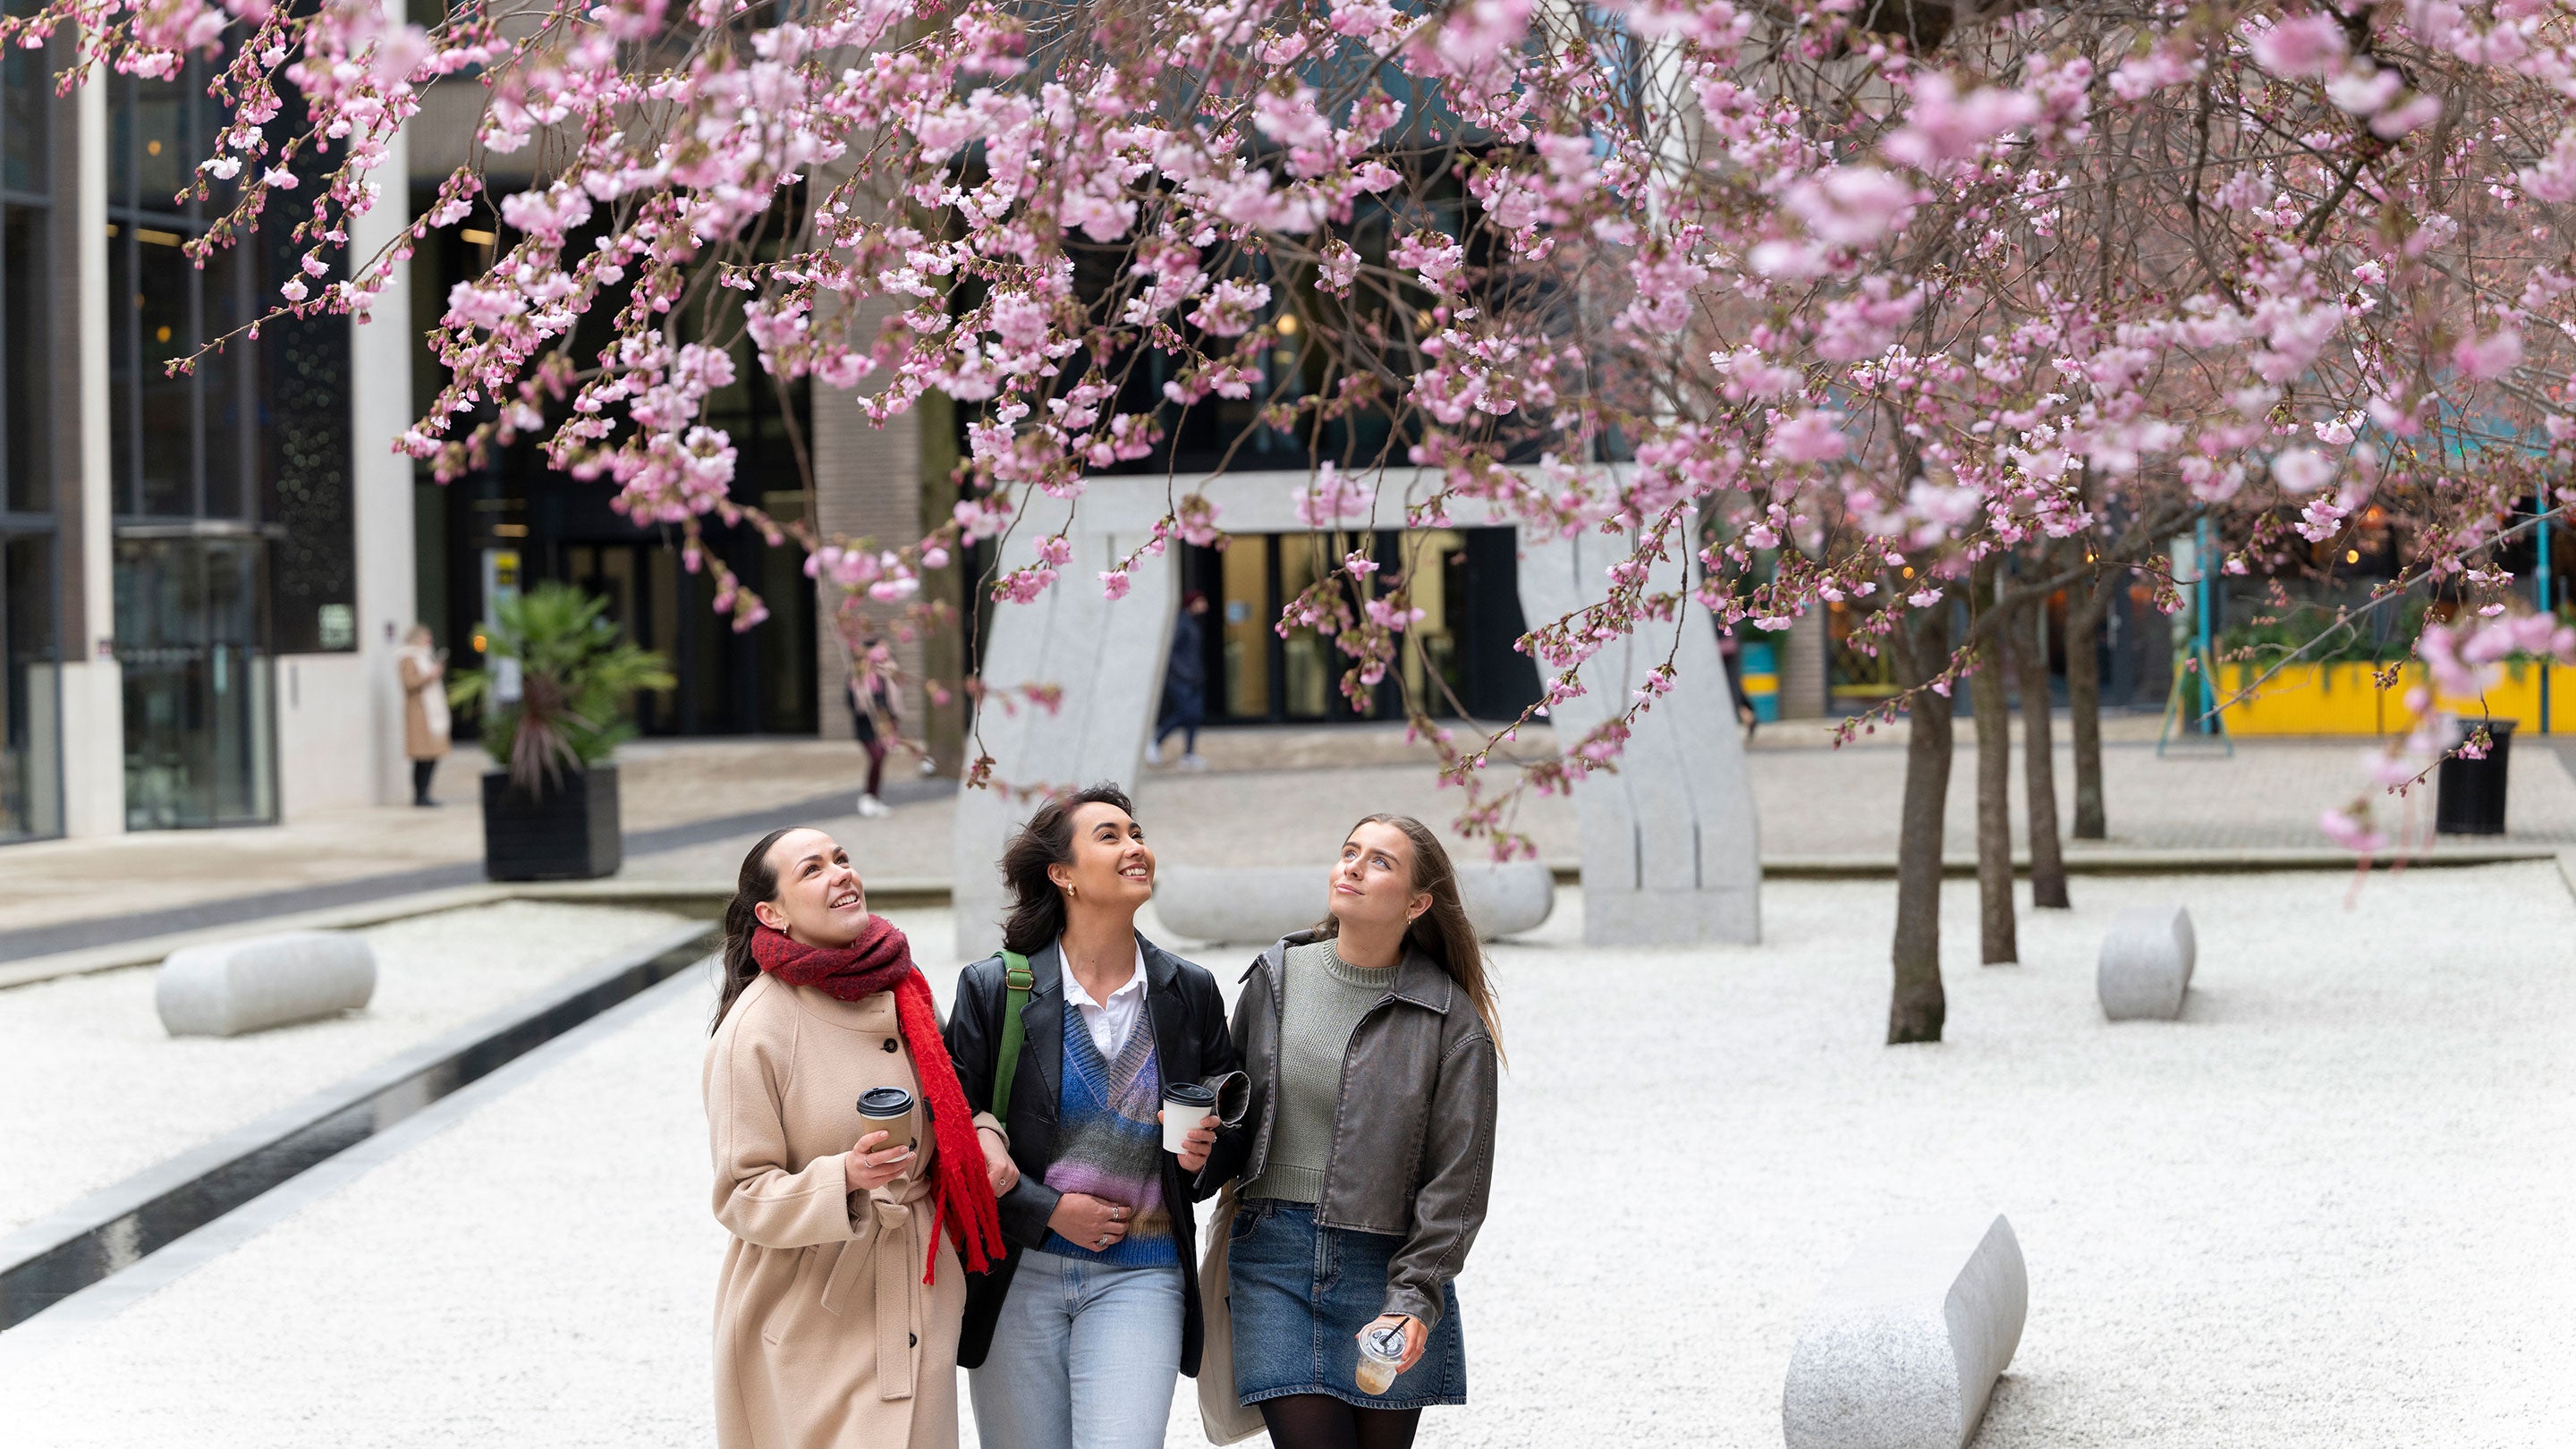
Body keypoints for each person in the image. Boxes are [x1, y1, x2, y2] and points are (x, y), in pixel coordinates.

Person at [944, 784, 1241, 1449]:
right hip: (1018, 1271)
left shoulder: (1187, 990)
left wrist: (1204, 1154)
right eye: (1109, 836)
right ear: (1062, 874)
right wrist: (1042, 1208)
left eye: (1137, 833)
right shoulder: (995, 989)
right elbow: (955, 1129)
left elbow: (1231, 1130)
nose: (1135, 846)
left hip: (1144, 1273)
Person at [705, 826, 1013, 1449]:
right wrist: (842, 1177)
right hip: (811, 1307)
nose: (840, 873)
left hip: (918, 1288)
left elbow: (954, 1097)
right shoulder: (753, 1030)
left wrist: (983, 1135)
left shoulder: (902, 984)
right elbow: (740, 1194)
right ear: (773, 914)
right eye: (812, 869)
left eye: (841, 859)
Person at [1200, 814, 1501, 1449]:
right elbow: (1234, 1113)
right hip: (1271, 1255)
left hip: (1385, 1264)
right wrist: (1193, 1145)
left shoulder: (1451, 1021)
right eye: (1348, 852)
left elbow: (1459, 1184)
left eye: (1380, 862)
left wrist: (1415, 1296)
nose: (1353, 867)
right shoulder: (1276, 979)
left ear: (1419, 903)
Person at [1147, 592, 1210, 770]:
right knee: (1185, 713)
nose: (1204, 605)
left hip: (1194, 677)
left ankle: (1189, 754)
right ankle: (1155, 742)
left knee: (1194, 716)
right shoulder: (1182, 623)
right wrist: (1184, 673)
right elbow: (1172, 652)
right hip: (1182, 679)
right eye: (1201, 601)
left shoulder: (1192, 623)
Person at [395, 624, 450, 807]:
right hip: (419, 712)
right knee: (422, 757)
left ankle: (425, 794)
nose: (429, 641)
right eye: (427, 637)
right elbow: (409, 683)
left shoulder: (425, 656)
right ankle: (420, 796)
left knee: (431, 756)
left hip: (431, 713)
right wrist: (429, 676)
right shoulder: (408, 658)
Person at [850, 635, 899, 818]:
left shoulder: (887, 673)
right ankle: (868, 796)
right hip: (867, 725)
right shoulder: (858, 674)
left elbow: (892, 698)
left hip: (886, 724)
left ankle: (874, 796)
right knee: (876, 757)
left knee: (880, 759)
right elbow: (851, 700)